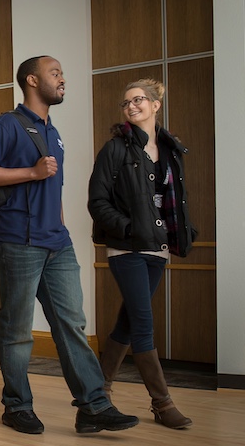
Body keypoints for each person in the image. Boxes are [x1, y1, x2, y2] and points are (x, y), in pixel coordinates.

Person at [0, 55, 139, 434]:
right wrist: (30, 171)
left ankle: (93, 406)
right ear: (32, 80)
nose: (63, 79)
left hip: (56, 242)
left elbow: (52, 185)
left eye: (62, 73)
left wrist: (60, 223)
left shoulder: (52, 130)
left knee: (72, 324)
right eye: (55, 73)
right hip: (17, 241)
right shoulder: (7, 125)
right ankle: (16, 406)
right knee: (17, 329)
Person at [88, 78, 196, 429]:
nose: (131, 106)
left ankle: (97, 396)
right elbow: (97, 202)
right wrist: (129, 228)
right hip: (128, 248)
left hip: (158, 250)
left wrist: (184, 229)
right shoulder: (115, 149)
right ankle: (162, 405)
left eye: (138, 100)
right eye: (125, 103)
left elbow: (174, 200)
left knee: (129, 322)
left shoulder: (170, 151)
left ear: (155, 105)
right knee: (144, 324)